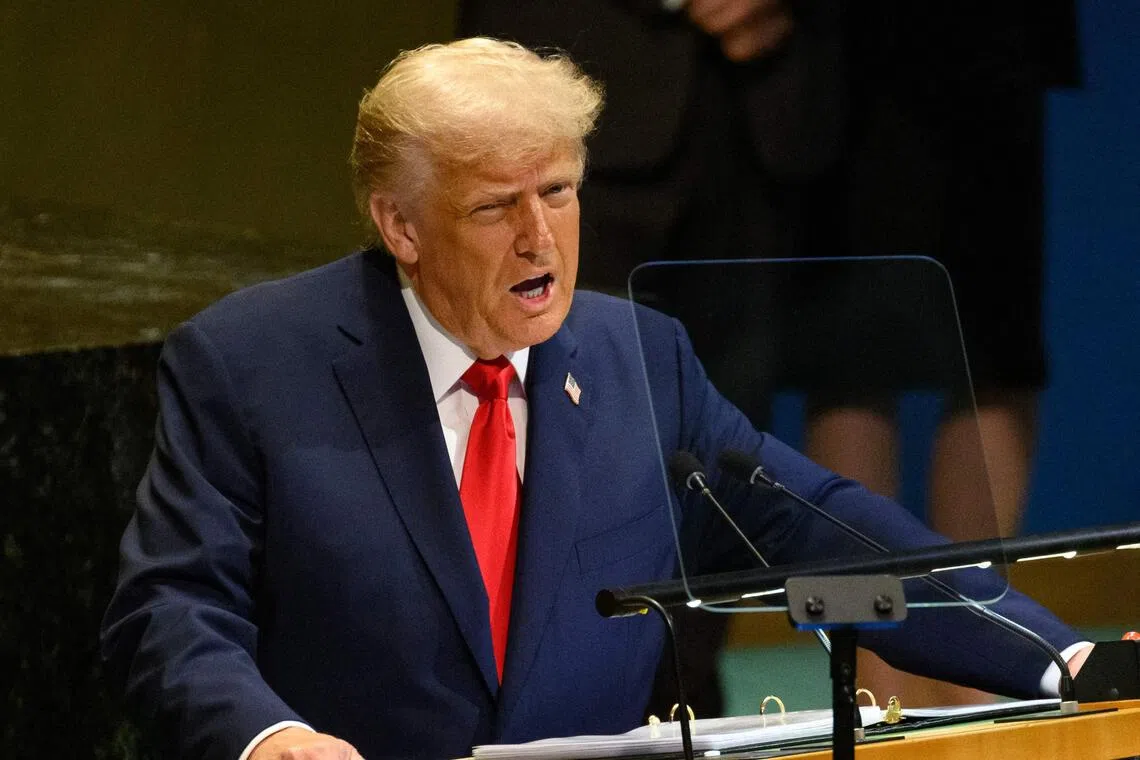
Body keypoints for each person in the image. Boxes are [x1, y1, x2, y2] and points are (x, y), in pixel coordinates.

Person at [101, 38, 1091, 760]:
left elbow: (816, 530)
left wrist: (1064, 655)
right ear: (399, 224)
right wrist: (268, 737)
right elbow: (173, 607)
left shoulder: (640, 358)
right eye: (497, 206)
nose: (541, 238)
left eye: (561, 192)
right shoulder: (250, 362)